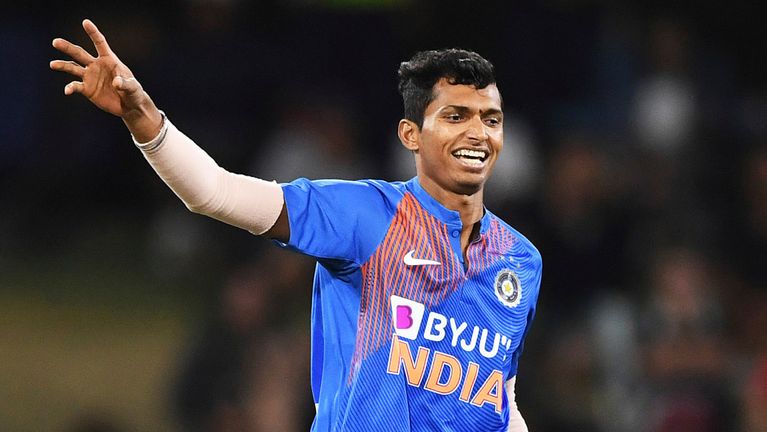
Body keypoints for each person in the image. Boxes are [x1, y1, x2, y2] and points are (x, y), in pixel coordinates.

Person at [51, 19, 542, 432]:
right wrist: (144, 118)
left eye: (491, 119)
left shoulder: (520, 260)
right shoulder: (363, 216)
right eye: (456, 116)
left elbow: (501, 397)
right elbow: (214, 192)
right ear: (411, 134)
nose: (477, 133)